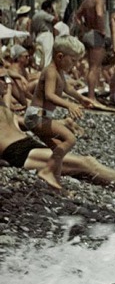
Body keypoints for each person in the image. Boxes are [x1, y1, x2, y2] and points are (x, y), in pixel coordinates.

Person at [0, 106, 115, 192]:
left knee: (83, 171)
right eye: (3, 79)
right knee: (87, 163)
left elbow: (26, 123)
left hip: (29, 145)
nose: (6, 83)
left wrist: (60, 123)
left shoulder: (4, 109)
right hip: (19, 152)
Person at [24, 35, 94, 189]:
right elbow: (50, 95)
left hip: (42, 117)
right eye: (73, 60)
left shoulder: (60, 72)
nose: (75, 65)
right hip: (36, 117)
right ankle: (47, 171)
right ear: (60, 56)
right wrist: (69, 105)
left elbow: (67, 89)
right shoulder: (50, 71)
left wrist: (80, 99)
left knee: (58, 150)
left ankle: (55, 184)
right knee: (70, 139)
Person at [75, 0, 109, 104]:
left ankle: (91, 93)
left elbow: (77, 16)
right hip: (96, 34)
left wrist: (83, 28)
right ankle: (91, 96)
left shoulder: (86, 2)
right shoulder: (99, 0)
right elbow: (99, 14)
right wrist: (102, 30)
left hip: (87, 33)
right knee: (95, 67)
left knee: (90, 66)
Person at [32, 0, 57, 68]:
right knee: (47, 55)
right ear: (48, 8)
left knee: (39, 55)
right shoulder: (45, 14)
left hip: (38, 35)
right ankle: (46, 71)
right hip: (46, 35)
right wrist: (54, 10)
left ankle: (39, 69)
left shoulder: (35, 15)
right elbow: (56, 20)